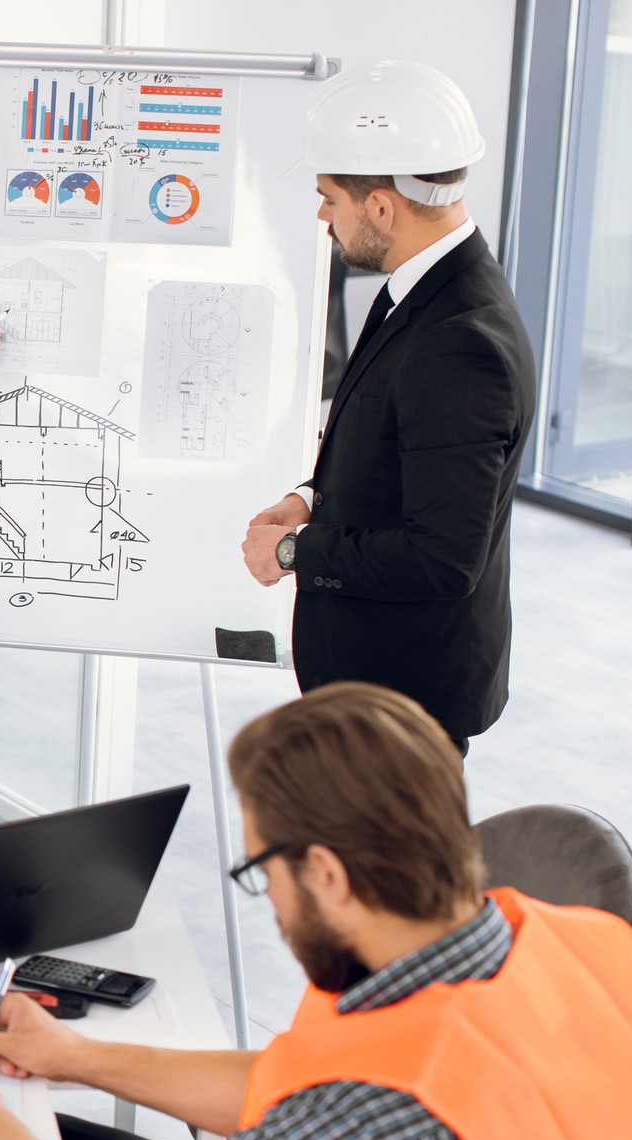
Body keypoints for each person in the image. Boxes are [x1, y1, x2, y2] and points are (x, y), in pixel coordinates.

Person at [0, 682, 632, 1140]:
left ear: (326, 873)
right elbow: (299, 1079)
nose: (272, 901)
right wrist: (72, 1056)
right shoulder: (551, 946)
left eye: (261, 869)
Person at [239, 61, 536, 757]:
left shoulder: (460, 341)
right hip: (377, 687)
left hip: (401, 699)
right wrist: (309, 499)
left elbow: (442, 557)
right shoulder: (426, 288)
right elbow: (396, 447)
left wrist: (292, 550)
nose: (320, 217)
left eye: (328, 198)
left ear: (381, 208)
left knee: (380, 871)